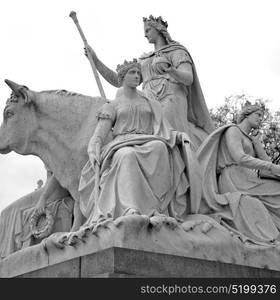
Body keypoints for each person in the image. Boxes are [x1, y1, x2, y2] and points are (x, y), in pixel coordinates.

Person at [78, 58, 202, 227]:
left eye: (138, 73)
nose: (137, 76)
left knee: (160, 147)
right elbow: (98, 136)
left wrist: (178, 136)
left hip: (148, 140)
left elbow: (163, 127)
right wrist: (93, 149)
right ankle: (130, 208)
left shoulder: (150, 103)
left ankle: (156, 207)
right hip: (121, 144)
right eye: (132, 73)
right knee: (127, 155)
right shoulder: (112, 105)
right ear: (122, 77)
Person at [84, 15, 214, 149]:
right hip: (148, 100)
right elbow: (119, 80)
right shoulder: (144, 59)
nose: (145, 35)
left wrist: (171, 70)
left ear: (158, 29)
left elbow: (188, 78)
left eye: (147, 30)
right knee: (122, 94)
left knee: (168, 136)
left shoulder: (177, 52)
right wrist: (95, 61)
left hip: (171, 98)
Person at [197, 104, 280, 245]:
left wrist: (257, 143)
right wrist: (270, 166)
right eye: (258, 115)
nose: (261, 119)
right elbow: (239, 158)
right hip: (234, 178)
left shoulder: (249, 139)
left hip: (249, 179)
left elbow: (267, 165)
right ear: (247, 114)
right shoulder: (233, 131)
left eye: (262, 117)